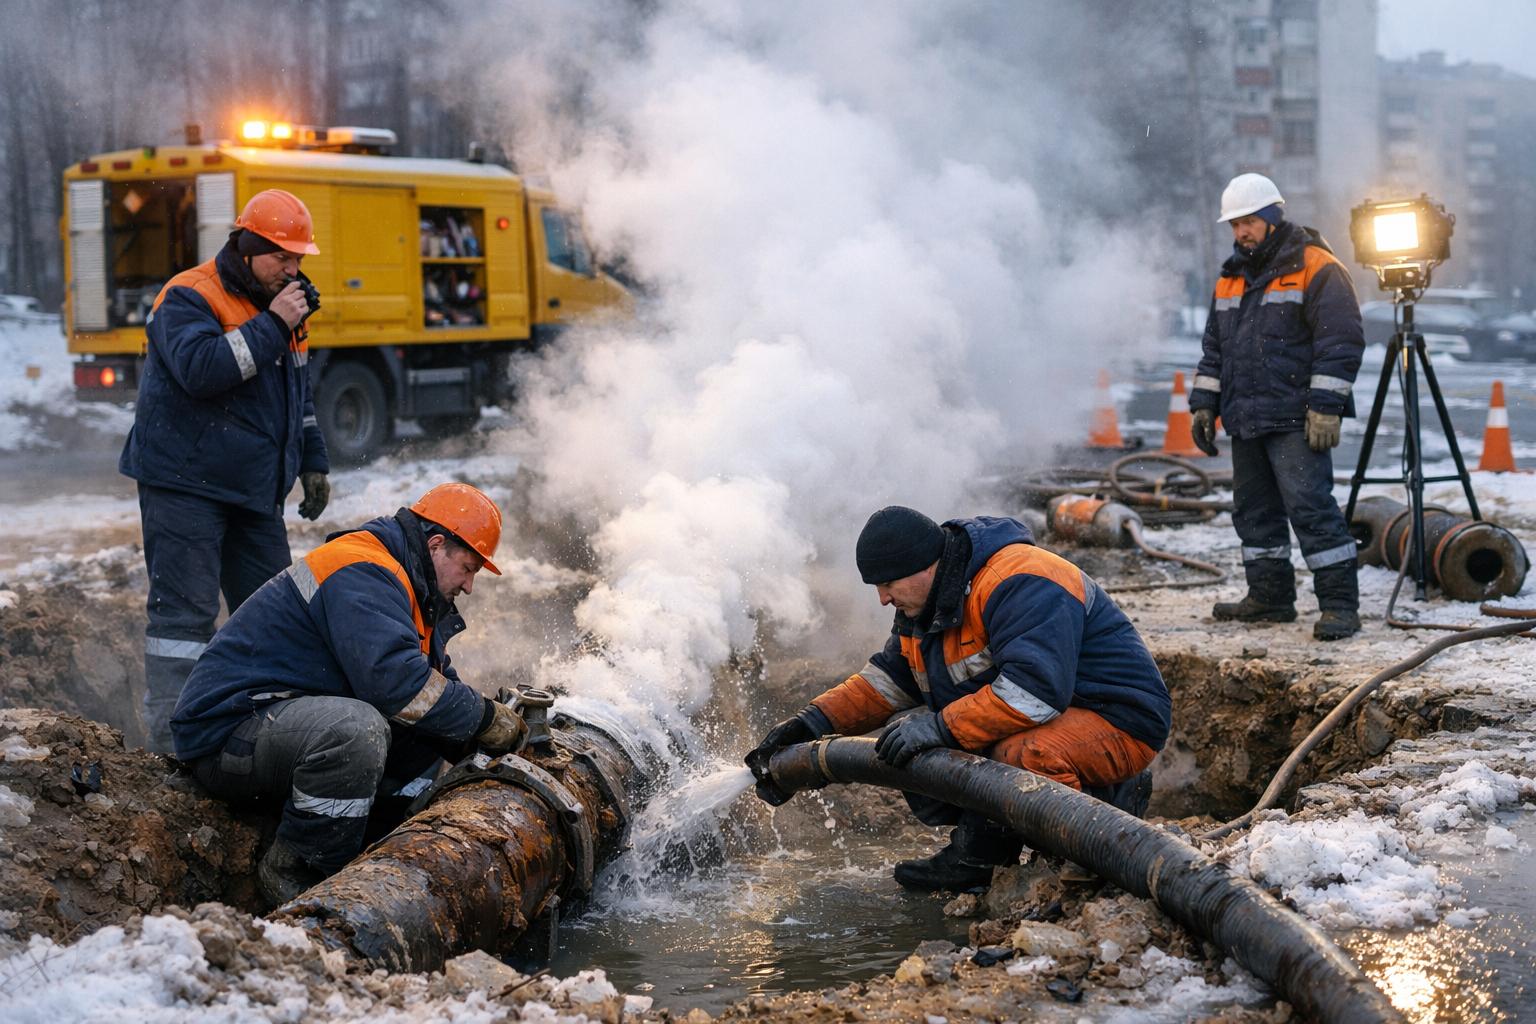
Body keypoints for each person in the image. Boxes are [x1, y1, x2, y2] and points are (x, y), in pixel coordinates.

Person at [746, 507, 1171, 892]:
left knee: (1020, 753)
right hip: (1050, 717)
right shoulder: (927, 605)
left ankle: (1079, 850)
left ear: (923, 567)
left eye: (887, 583)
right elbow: (889, 682)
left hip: (1117, 720)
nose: (882, 598)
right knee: (912, 753)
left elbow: (1035, 693)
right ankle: (982, 857)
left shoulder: (1020, 579)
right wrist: (811, 723)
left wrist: (939, 727)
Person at [170, 482, 527, 905]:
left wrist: (493, 748)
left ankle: (385, 848)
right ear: (436, 545)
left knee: (423, 735)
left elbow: (434, 693)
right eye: (468, 568)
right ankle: (301, 875)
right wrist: (489, 720)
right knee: (357, 732)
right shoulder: (363, 570)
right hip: (227, 734)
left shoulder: (408, 587)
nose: (469, 586)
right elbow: (399, 687)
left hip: (278, 725)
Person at [120, 189, 333, 752]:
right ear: (246, 249)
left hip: (253, 492)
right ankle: (172, 743)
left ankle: (261, 730)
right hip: (186, 484)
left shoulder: (286, 307)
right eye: (281, 259)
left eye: (298, 261)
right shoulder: (190, 295)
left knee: (274, 611)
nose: (292, 270)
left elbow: (297, 395)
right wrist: (271, 323)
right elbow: (202, 370)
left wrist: (313, 462)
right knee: (183, 622)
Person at [1189, 173, 1365, 641]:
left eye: (1247, 222)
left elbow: (1341, 341)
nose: (1240, 233)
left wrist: (1326, 406)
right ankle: (1269, 598)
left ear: (1270, 219)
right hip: (1246, 417)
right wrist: (1204, 404)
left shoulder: (1317, 266)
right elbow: (1214, 349)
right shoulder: (1231, 278)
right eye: (1235, 225)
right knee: (1254, 512)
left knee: (1310, 509)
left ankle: (1340, 607)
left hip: (1293, 417)